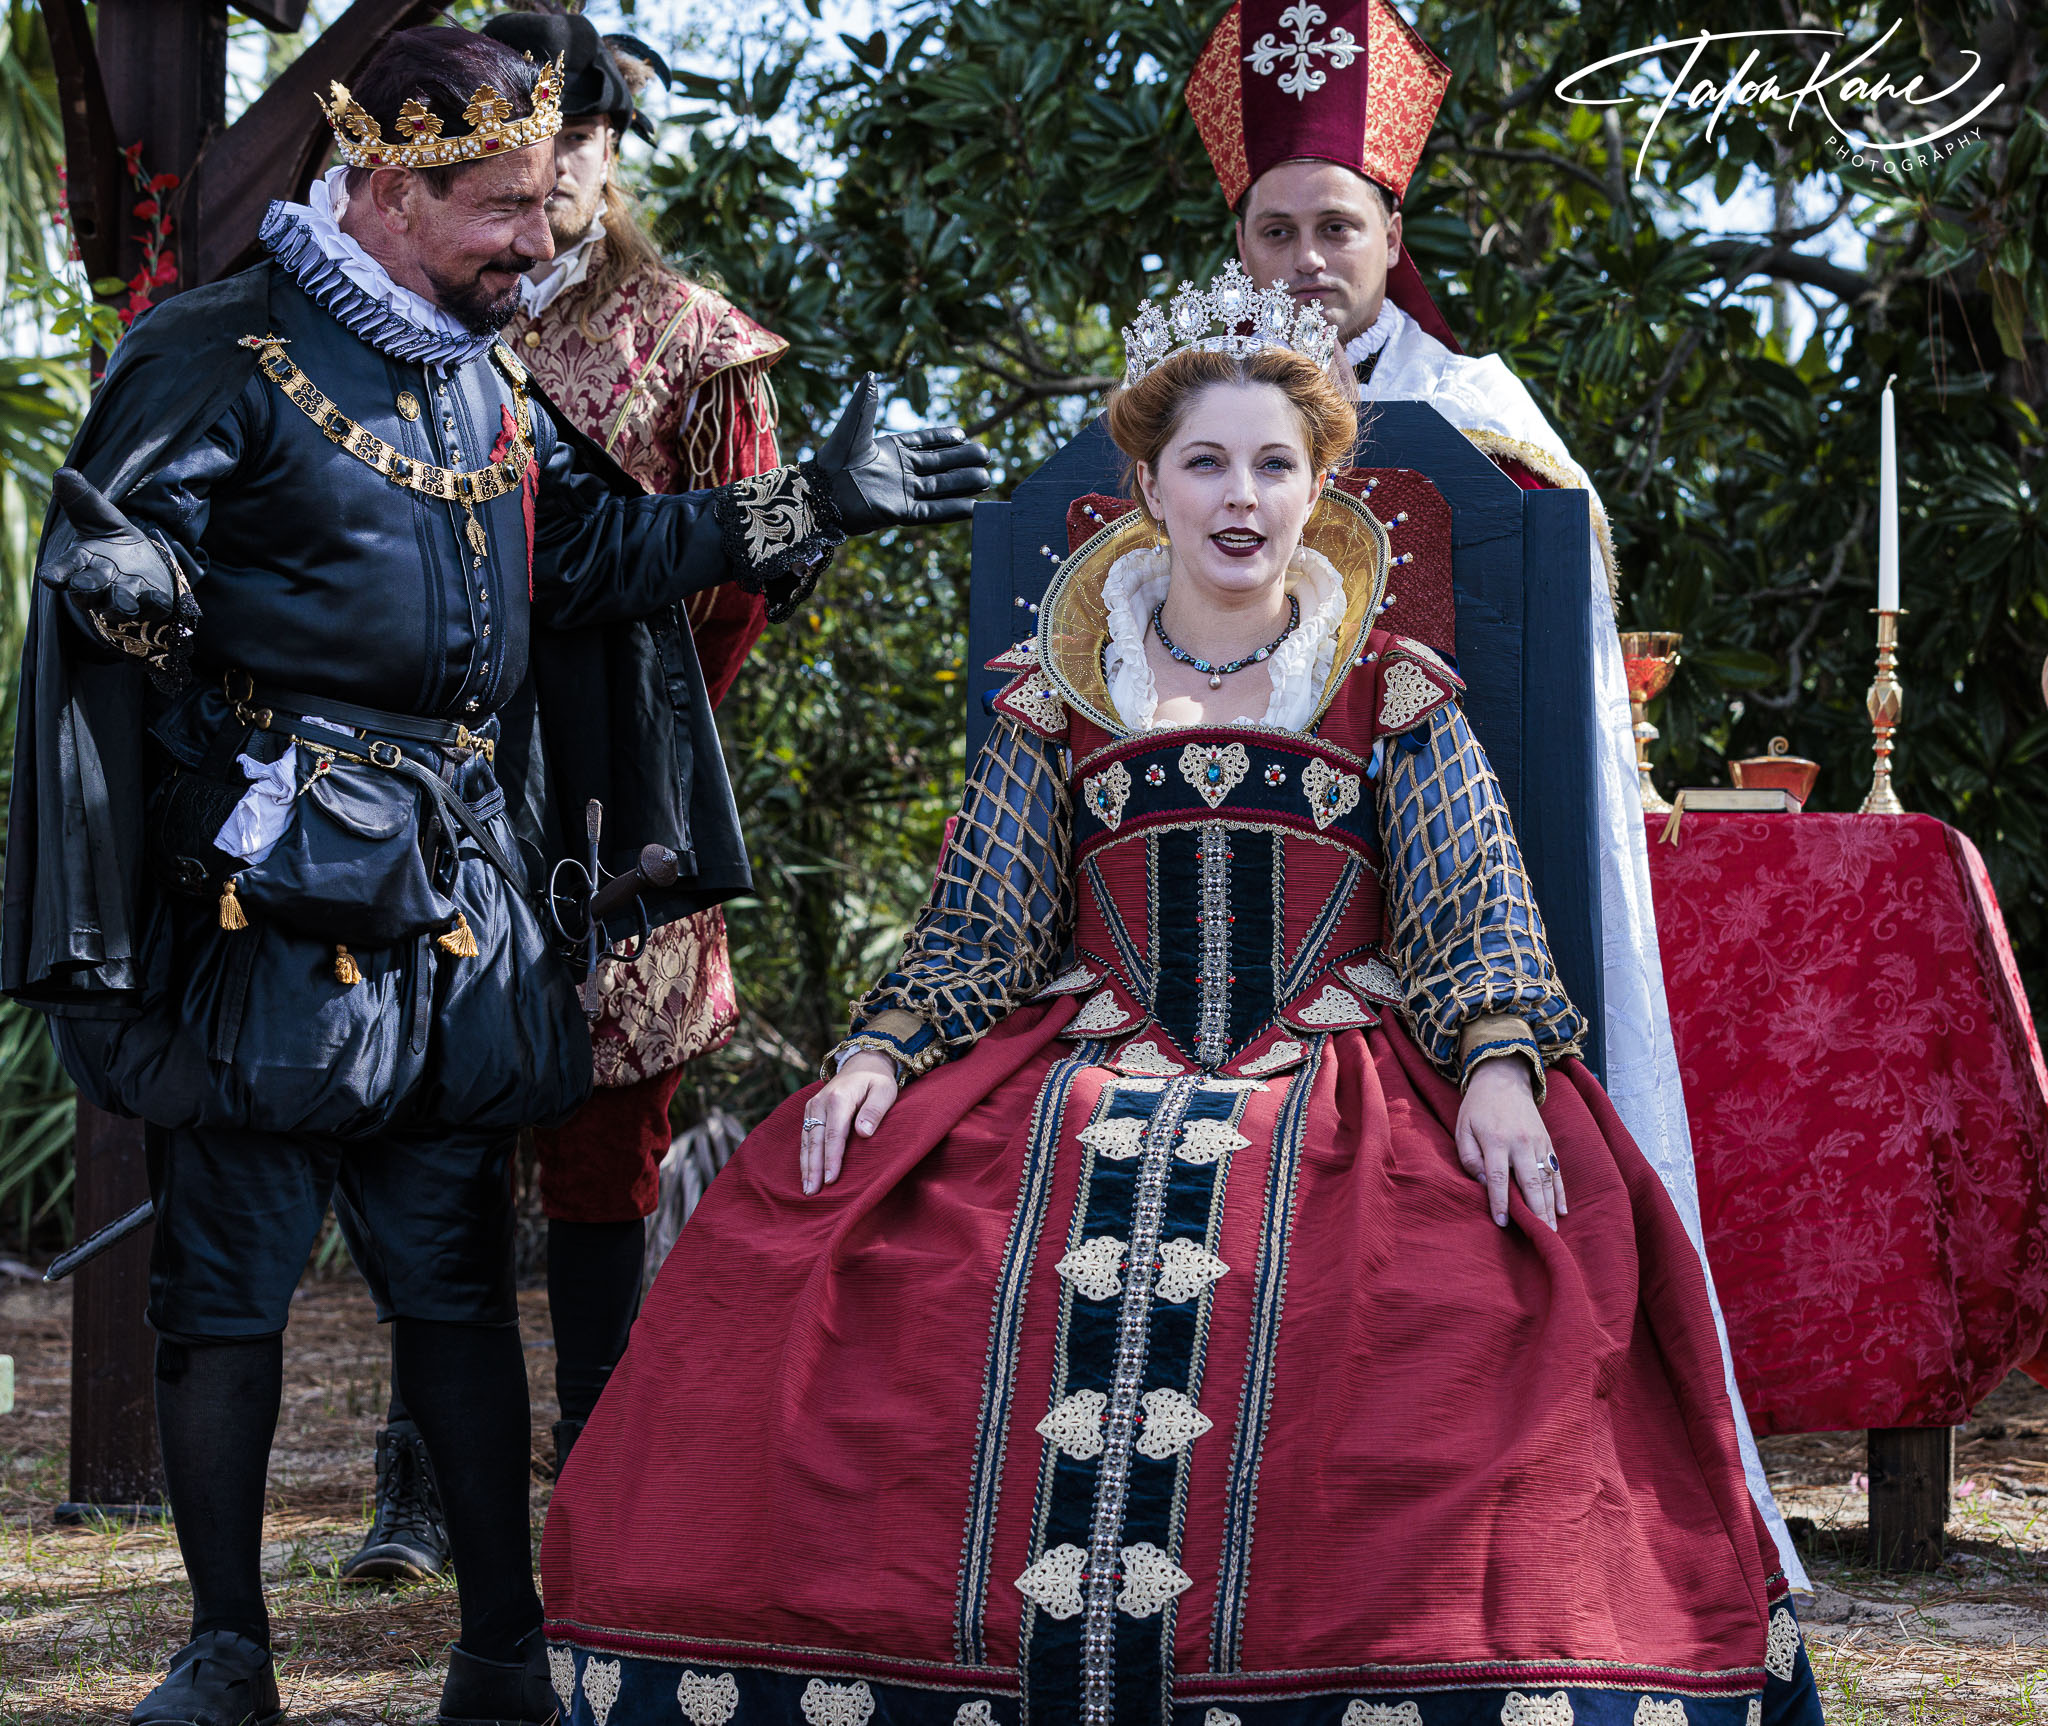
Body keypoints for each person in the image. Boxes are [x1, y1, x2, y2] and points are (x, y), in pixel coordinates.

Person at [537, 270, 1826, 1726]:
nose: (1241, 496)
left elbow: (1473, 903)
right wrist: (880, 1058)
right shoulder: (1058, 690)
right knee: (857, 1256)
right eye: (1206, 462)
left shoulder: (1391, 685)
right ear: (1148, 486)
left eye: (1274, 464)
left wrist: (1499, 1070)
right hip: (1086, 1055)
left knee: (1437, 1307)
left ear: (1323, 486)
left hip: (1339, 1079)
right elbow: (983, 923)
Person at [2, 26, 988, 1726]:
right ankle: (226, 1651)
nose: (543, 241)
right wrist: (127, 580)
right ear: (388, 189)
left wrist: (799, 504)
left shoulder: (484, 375)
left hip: (457, 905)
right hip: (266, 896)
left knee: (455, 1282)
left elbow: (590, 557)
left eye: (548, 204)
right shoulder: (217, 344)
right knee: (225, 1288)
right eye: (505, 210)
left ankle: (503, 1654)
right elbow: (122, 537)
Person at [1185, 0, 1806, 1587]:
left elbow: (1545, 691)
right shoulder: (1176, 422)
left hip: (1445, 928)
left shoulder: (1487, 428)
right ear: (1237, 239)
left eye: (1338, 227)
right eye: (1276, 229)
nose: (1306, 260)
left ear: (1393, 238)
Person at [340, 8, 793, 1587]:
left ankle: (602, 1464)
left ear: (608, 150)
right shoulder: (404, 312)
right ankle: (419, 1471)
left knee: (605, 1147)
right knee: (433, 1130)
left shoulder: (690, 341)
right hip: (427, 791)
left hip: (618, 803)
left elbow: (733, 591)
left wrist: (624, 736)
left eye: (576, 143)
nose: (552, 177)